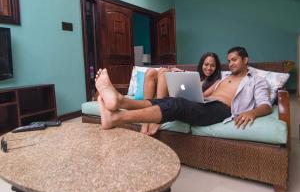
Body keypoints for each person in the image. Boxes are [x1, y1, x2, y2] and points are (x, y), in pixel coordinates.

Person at [95, 47, 272, 131]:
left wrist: (253, 113)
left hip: (222, 110)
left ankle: (117, 117)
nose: (231, 63)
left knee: (176, 105)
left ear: (245, 60)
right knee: (169, 101)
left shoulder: (256, 80)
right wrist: (188, 91)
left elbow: (266, 104)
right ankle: (120, 100)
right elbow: (204, 94)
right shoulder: (223, 78)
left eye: (234, 60)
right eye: (230, 60)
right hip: (207, 104)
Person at [141, 52, 221, 135]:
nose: (209, 68)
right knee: (151, 72)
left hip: (185, 103)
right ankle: (145, 119)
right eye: (206, 64)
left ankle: (158, 117)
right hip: (174, 95)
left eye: (212, 65)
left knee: (164, 72)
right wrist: (180, 72)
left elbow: (201, 95)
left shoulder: (217, 81)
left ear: (216, 67)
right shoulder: (196, 76)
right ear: (201, 64)